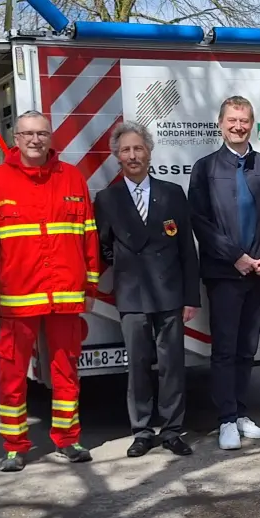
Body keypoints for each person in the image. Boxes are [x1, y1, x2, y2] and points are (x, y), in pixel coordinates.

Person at [0, 110, 102, 470]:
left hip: (66, 294)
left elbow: (89, 235)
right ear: (16, 139)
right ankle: (15, 446)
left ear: (51, 137)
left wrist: (90, 285)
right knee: (12, 374)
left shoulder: (72, 179)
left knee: (66, 371)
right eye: (27, 134)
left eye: (41, 133)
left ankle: (68, 439)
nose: (34, 140)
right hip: (18, 296)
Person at [188, 95, 260, 451]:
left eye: (244, 120)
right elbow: (199, 221)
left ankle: (243, 413)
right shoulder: (205, 168)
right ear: (220, 124)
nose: (238, 126)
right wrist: (235, 256)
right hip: (224, 274)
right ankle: (226, 420)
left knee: (248, 348)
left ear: (252, 124)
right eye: (232, 120)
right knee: (225, 349)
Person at [94, 120, 199, 458]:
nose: (133, 155)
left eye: (138, 148)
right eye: (126, 150)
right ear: (117, 156)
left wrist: (190, 297)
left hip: (169, 293)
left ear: (149, 151)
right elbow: (104, 247)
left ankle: (171, 430)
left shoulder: (172, 193)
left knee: (172, 365)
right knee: (137, 366)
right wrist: (128, 268)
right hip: (133, 295)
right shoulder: (107, 199)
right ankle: (141, 431)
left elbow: (186, 248)